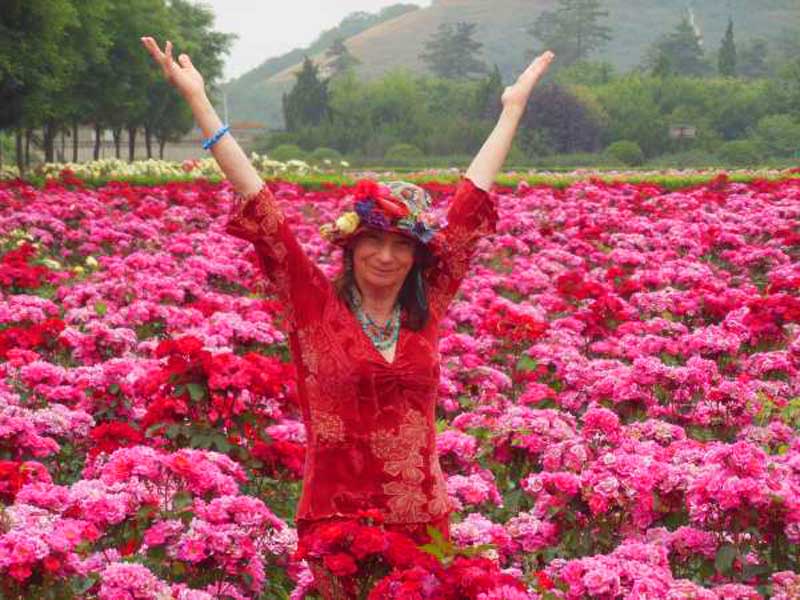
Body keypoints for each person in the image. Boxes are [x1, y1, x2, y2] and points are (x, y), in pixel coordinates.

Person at [142, 35, 553, 597]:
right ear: (350, 248)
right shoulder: (314, 307)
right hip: (337, 526)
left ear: (416, 257)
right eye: (373, 243)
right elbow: (262, 210)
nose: (386, 257)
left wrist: (511, 110)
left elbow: (467, 208)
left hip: (423, 521)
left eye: (401, 246)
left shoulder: (426, 307)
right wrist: (200, 102)